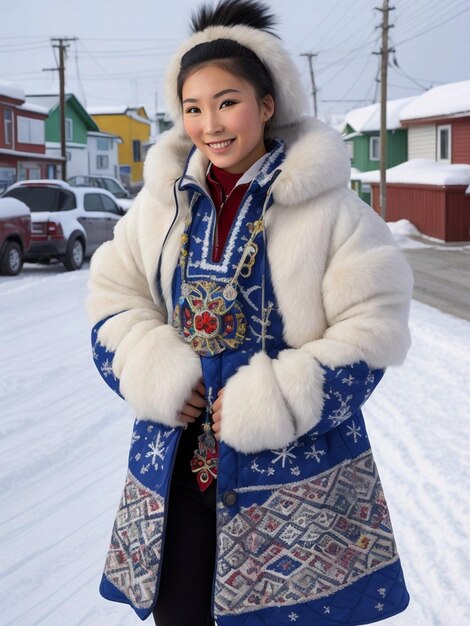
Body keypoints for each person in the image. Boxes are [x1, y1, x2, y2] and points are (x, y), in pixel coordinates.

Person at [87, 1, 413, 624]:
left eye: (227, 101)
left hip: (296, 480)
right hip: (176, 474)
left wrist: (280, 398)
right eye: (193, 107)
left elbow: (374, 327)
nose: (210, 123)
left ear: (267, 105)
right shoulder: (159, 207)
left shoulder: (331, 211)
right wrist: (148, 367)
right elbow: (111, 301)